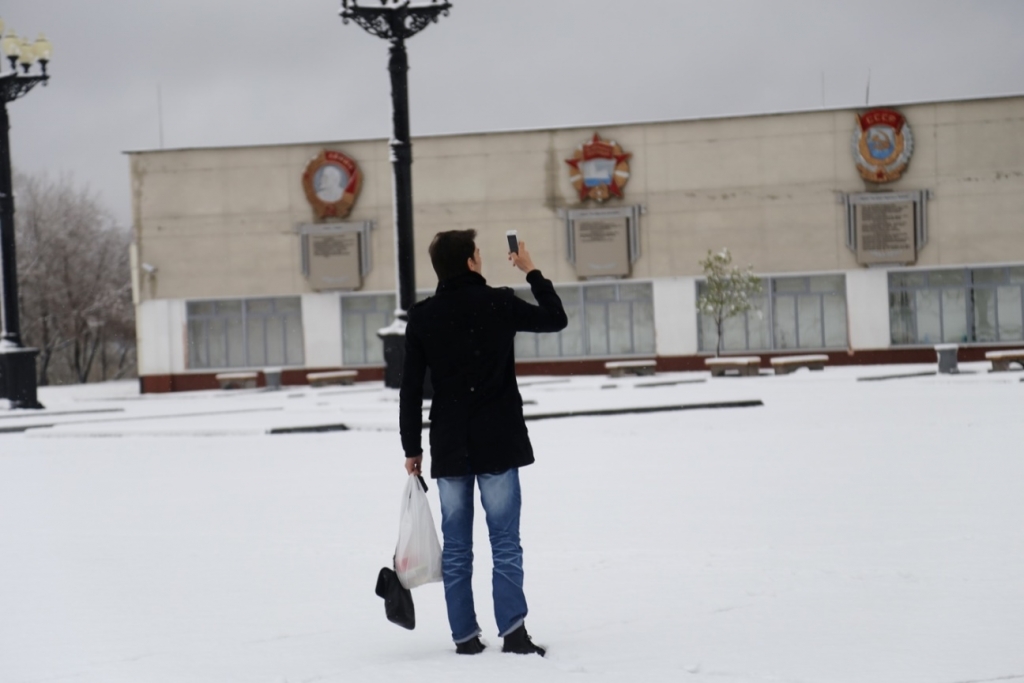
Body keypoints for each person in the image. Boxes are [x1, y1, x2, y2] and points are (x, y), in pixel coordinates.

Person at [399, 229, 567, 656]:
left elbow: (410, 388)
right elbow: (555, 318)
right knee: (505, 541)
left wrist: (411, 448)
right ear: (471, 262)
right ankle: (514, 633)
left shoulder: (423, 317)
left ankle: (465, 638)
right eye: (478, 253)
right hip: (498, 440)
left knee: (457, 547)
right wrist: (531, 271)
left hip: (451, 444)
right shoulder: (499, 302)